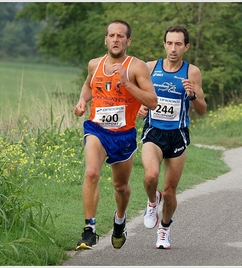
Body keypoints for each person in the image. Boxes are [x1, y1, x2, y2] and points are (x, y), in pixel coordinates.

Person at [73, 20, 158, 250]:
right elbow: (89, 85)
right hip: (97, 129)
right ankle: (89, 230)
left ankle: (119, 220)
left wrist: (127, 83)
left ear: (128, 41)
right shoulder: (95, 64)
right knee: (91, 172)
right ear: (106, 39)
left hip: (123, 134)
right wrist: (82, 101)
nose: (116, 39)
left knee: (121, 187)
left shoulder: (136, 67)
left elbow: (152, 102)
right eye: (112, 35)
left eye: (121, 36)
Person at [137, 25, 207, 249]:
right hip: (154, 132)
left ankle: (164, 228)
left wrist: (193, 95)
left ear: (186, 46)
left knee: (169, 192)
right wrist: (139, 108)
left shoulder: (192, 72)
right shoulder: (150, 67)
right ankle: (151, 201)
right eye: (170, 43)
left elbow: (202, 109)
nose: (173, 48)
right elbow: (136, 96)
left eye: (178, 44)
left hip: (178, 135)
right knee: (150, 176)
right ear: (164, 44)